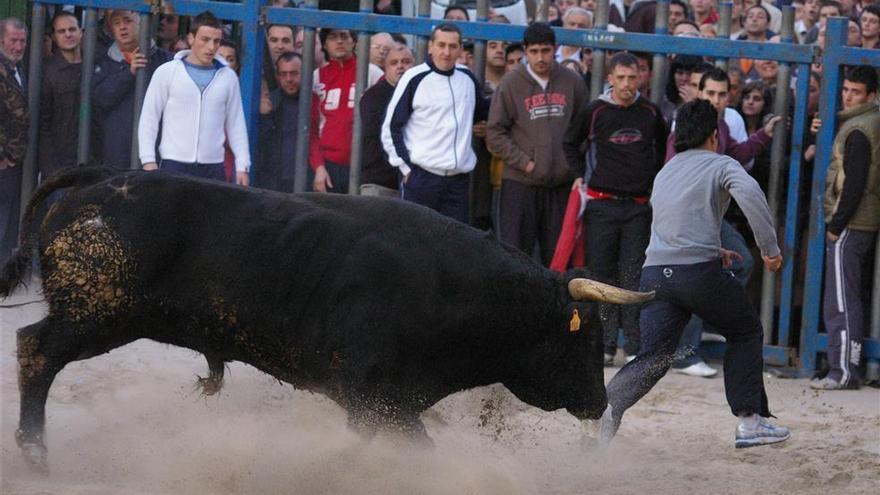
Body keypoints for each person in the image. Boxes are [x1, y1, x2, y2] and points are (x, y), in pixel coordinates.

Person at [598, 99, 790, 449]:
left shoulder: (665, 172)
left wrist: (715, 249)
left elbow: (671, 226)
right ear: (714, 136)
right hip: (698, 274)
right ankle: (750, 423)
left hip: (656, 274)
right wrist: (770, 249)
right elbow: (751, 193)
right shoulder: (721, 164)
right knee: (745, 331)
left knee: (654, 355)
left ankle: (606, 412)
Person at [563, 52, 669, 364]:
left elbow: (661, 149)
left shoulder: (650, 113)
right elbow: (570, 143)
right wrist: (580, 176)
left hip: (637, 207)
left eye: (632, 78)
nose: (626, 84)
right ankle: (606, 345)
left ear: (641, 78)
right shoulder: (595, 111)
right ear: (610, 78)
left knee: (633, 274)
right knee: (601, 275)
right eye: (620, 78)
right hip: (601, 205)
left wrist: (651, 182)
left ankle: (634, 345)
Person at [487, 22, 588, 266]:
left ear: (554, 49)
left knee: (558, 260)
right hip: (521, 184)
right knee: (515, 258)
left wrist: (574, 169)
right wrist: (526, 162)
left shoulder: (572, 81)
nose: (540, 57)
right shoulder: (511, 83)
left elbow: (583, 129)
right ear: (525, 51)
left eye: (545, 50)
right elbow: (494, 133)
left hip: (562, 185)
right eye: (534, 51)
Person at [811, 66, 879, 390]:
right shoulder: (866, 122)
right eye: (846, 89)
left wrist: (836, 225)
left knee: (841, 300)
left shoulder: (858, 129)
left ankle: (843, 371)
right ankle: (846, 367)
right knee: (849, 297)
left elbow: (854, 183)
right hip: (862, 221)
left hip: (850, 222)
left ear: (871, 96)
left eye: (855, 92)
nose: (848, 95)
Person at [381, 23, 489, 224]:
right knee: (417, 243)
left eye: (452, 46)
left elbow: (480, 113)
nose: (446, 52)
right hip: (422, 178)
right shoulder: (414, 78)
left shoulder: (468, 78)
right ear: (430, 46)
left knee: (454, 246)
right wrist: (407, 169)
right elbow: (391, 127)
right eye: (441, 45)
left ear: (460, 50)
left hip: (458, 181)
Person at [138, 11, 250, 185]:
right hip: (173, 163)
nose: (211, 47)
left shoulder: (228, 77)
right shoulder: (167, 72)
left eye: (216, 41)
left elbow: (236, 123)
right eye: (205, 40)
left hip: (213, 166)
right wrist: (147, 159)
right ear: (191, 39)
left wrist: (242, 165)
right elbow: (149, 117)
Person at [93, 9, 171, 170]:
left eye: (127, 21)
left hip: (154, 153)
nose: (122, 27)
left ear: (141, 22)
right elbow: (100, 99)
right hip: (115, 155)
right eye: (116, 23)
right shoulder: (103, 61)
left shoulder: (164, 60)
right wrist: (128, 72)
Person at [309, 27, 382, 193]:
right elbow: (310, 128)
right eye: (333, 37)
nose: (339, 41)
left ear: (354, 41)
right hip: (328, 166)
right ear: (324, 44)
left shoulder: (372, 73)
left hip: (364, 165)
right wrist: (318, 166)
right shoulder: (316, 77)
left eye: (344, 36)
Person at [257, 51, 320, 192]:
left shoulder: (315, 101)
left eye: (294, 73)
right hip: (272, 182)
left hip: (307, 182)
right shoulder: (270, 103)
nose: (289, 79)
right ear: (278, 76)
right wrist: (264, 116)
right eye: (283, 74)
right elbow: (259, 142)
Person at [359, 43, 414, 197]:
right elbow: (382, 135)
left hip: (412, 182)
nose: (400, 67)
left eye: (406, 62)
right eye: (394, 62)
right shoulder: (373, 96)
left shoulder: (421, 93)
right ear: (385, 67)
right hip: (380, 182)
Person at [39, 11, 83, 180]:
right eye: (61, 31)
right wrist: (51, 168)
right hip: (59, 163)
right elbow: (42, 124)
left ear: (81, 33)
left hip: (93, 159)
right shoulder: (46, 72)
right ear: (54, 37)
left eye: (72, 29)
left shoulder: (95, 64)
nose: (68, 34)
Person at [0, 17, 27, 261]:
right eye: (13, 41)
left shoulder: (18, 68)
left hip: (14, 159)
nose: (18, 47)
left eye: (22, 41)